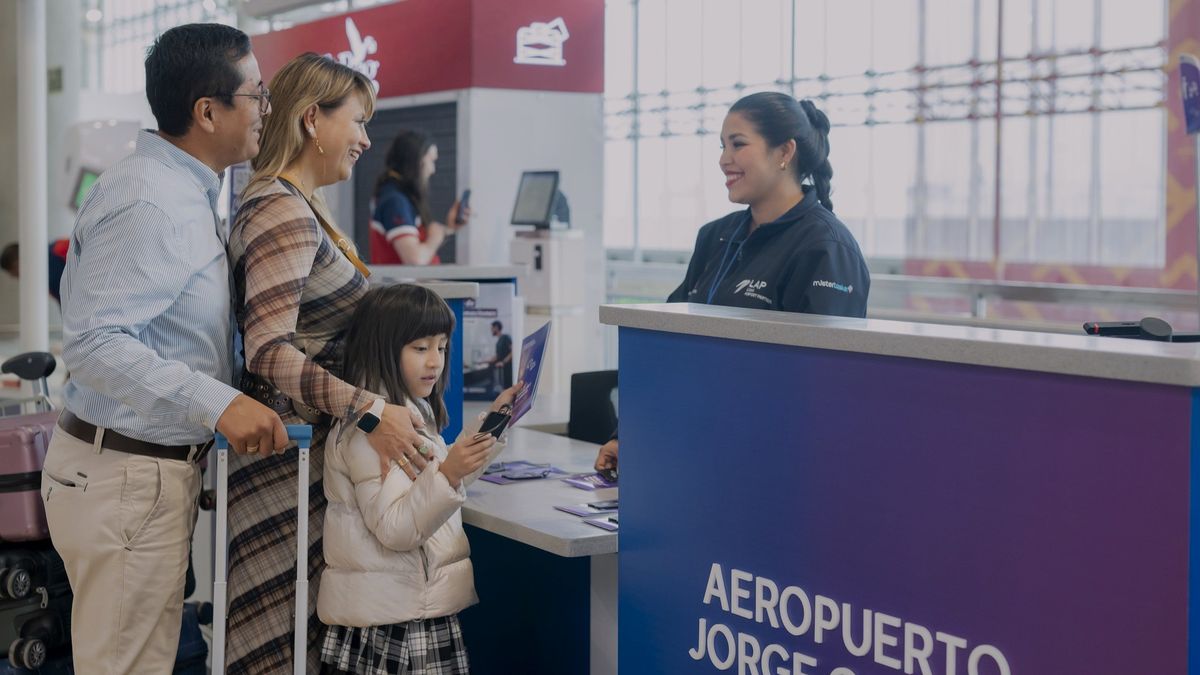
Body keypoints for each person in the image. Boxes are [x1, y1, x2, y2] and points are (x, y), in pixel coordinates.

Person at [40, 24, 286, 673]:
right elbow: (92, 343)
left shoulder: (182, 189)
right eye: (256, 95)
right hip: (125, 476)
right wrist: (218, 401)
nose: (266, 109)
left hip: (141, 474)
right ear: (208, 111)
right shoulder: (150, 199)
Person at [226, 52, 428, 673]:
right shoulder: (283, 208)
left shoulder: (295, 203)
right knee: (282, 643)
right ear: (313, 119)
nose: (367, 139)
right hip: (286, 464)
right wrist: (370, 409)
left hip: (306, 457)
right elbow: (268, 349)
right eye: (358, 121)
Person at [595, 93, 871, 474]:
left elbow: (827, 388)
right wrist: (626, 434)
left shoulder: (824, 248)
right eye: (722, 146)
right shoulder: (716, 237)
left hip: (770, 464)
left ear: (784, 152)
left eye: (738, 144)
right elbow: (667, 346)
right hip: (694, 451)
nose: (724, 159)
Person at [319, 283, 518, 675]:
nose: (435, 362)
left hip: (411, 607)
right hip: (394, 619)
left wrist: (489, 429)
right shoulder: (374, 430)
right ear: (383, 349)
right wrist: (449, 471)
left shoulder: (409, 412)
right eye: (420, 347)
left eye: (441, 347)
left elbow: (437, 481)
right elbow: (395, 528)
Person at [368, 129, 469, 265]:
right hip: (405, 286)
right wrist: (434, 238)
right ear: (417, 161)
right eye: (431, 161)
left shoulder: (398, 196)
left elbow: (422, 247)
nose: (432, 170)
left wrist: (450, 227)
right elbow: (415, 259)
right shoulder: (395, 201)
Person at [1, 239, 72, 304]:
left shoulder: (58, 249)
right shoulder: (40, 282)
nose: (13, 276)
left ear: (17, 263)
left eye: (13, 272)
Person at [486, 320, 513, 390]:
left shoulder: (506, 337)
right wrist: (485, 361)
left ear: (496, 328)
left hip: (508, 369)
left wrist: (503, 362)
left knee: (508, 388)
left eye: (492, 328)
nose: (491, 330)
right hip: (502, 370)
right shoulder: (499, 341)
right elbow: (498, 355)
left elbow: (513, 351)